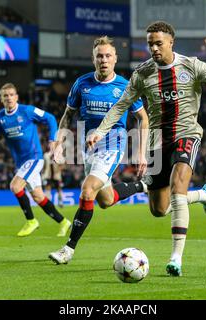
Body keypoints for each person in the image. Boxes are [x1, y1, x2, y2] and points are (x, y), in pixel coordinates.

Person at [86, 21, 206, 276]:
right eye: (150, 43)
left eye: (158, 43)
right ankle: (204, 195)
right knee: (159, 210)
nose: (153, 48)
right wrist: (99, 131)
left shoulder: (191, 65)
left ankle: (176, 258)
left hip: (186, 135)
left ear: (171, 42)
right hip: (157, 143)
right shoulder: (142, 74)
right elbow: (120, 106)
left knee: (178, 185)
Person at [48, 36, 149, 264]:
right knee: (105, 199)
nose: (103, 60)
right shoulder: (81, 84)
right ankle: (143, 185)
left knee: (87, 190)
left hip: (113, 144)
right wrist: (58, 141)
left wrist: (141, 152)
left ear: (115, 59)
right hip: (89, 149)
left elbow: (143, 118)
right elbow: (68, 115)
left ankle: (68, 249)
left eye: (107, 56)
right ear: (93, 59)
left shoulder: (124, 86)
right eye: (99, 56)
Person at [0, 83, 72, 237]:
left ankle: (31, 220)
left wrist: (52, 139)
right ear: (1, 99)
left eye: (11, 94)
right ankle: (63, 222)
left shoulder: (27, 111)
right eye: (5, 96)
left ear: (16, 97)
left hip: (34, 157)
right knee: (38, 196)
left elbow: (50, 118)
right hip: (21, 163)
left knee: (15, 186)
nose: (9, 98)